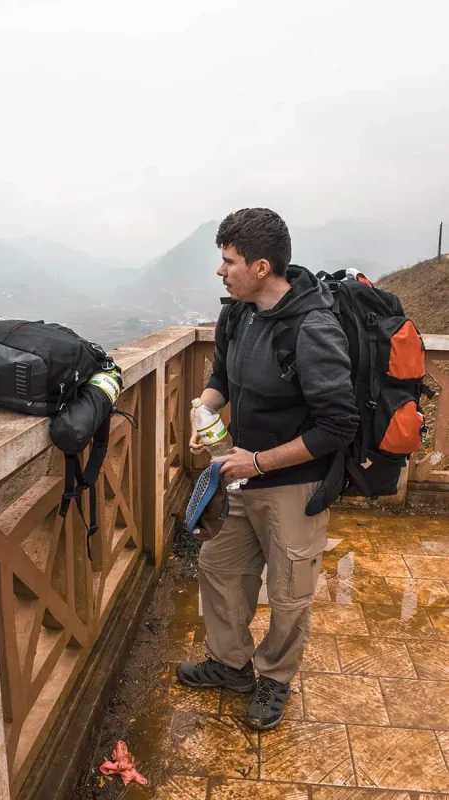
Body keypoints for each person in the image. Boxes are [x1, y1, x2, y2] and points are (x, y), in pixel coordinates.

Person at [176, 207, 359, 730]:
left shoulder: (313, 326)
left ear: (260, 266)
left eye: (228, 261)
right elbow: (222, 378)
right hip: (239, 475)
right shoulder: (237, 313)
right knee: (219, 569)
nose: (220, 270)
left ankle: (274, 679)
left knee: (288, 592)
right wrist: (204, 407)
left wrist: (258, 462)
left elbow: (337, 426)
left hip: (293, 487)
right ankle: (231, 665)